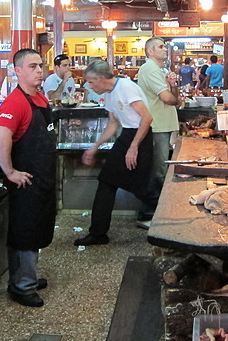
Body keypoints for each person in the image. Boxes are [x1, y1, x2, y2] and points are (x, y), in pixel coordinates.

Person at [0, 49, 56, 308]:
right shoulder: (15, 102)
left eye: (40, 65)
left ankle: (26, 276)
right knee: (25, 232)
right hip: (26, 181)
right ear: (18, 71)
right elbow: (0, 137)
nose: (39, 70)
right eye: (32, 66)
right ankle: (21, 286)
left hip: (42, 179)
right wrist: (9, 172)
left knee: (37, 229)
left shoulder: (40, 98)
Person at [74, 60, 155, 246]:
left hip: (140, 137)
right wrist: (95, 146)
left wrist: (134, 147)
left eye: (92, 82)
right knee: (106, 182)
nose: (89, 86)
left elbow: (147, 118)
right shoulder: (109, 93)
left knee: (141, 187)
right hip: (126, 135)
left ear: (102, 79)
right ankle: (98, 233)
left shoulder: (126, 87)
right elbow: (113, 123)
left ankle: (169, 217)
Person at [135, 37, 180, 228]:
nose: (165, 49)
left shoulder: (160, 70)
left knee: (160, 169)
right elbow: (168, 98)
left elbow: (172, 95)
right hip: (157, 126)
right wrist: (176, 97)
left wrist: (173, 86)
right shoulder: (150, 69)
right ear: (150, 51)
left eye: (165, 46)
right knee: (157, 171)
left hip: (164, 124)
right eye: (160, 46)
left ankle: (155, 211)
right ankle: (147, 214)